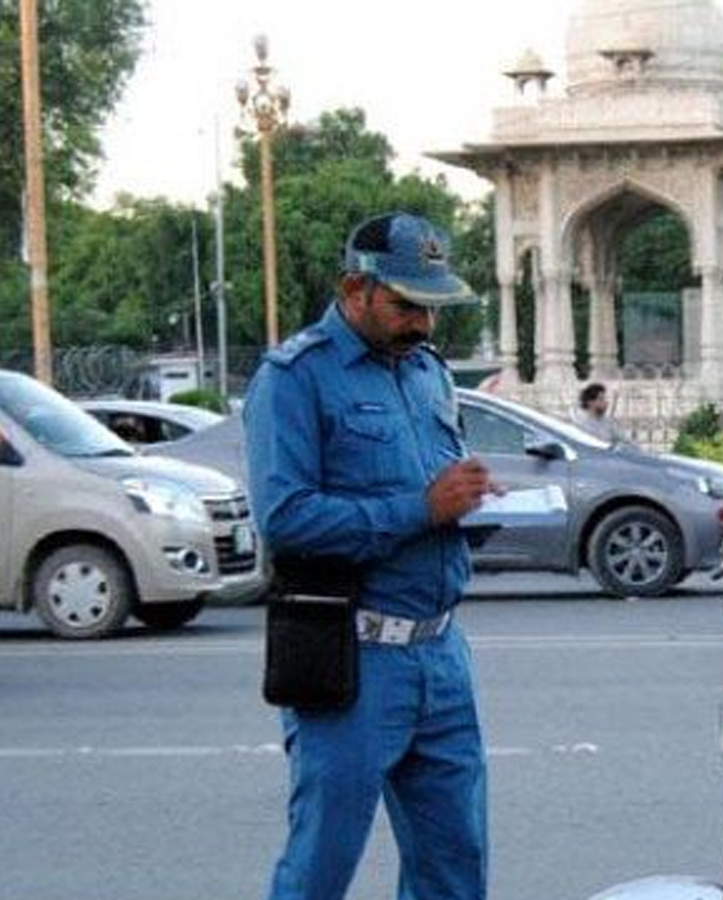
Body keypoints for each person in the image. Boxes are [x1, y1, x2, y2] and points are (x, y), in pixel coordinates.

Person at [246, 211, 494, 900]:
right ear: (355, 289)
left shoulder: (426, 373)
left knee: (454, 867)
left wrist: (468, 500)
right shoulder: (296, 377)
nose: (423, 323)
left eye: (433, 307)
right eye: (408, 304)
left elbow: (436, 485)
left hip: (442, 655)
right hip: (353, 659)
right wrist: (421, 509)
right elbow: (286, 517)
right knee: (321, 868)